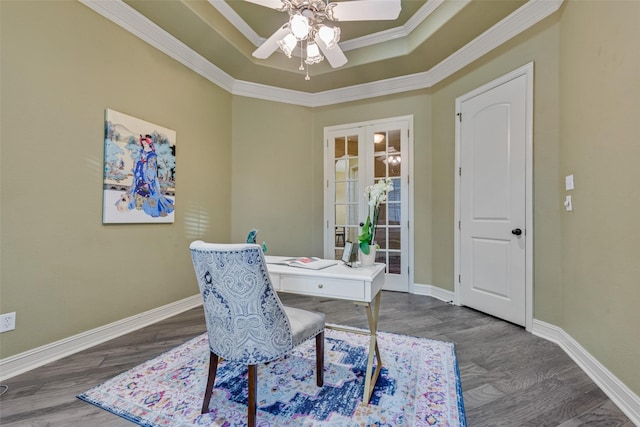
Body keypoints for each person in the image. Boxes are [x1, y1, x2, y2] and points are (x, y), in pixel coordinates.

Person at [126, 134, 175, 217]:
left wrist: (146, 168)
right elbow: (137, 160)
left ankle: (149, 205)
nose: (144, 145)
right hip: (139, 172)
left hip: (147, 175)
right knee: (137, 187)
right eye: (143, 143)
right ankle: (138, 203)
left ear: (149, 143)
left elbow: (152, 166)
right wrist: (139, 162)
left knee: (149, 190)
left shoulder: (152, 154)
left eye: (145, 143)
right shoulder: (141, 152)